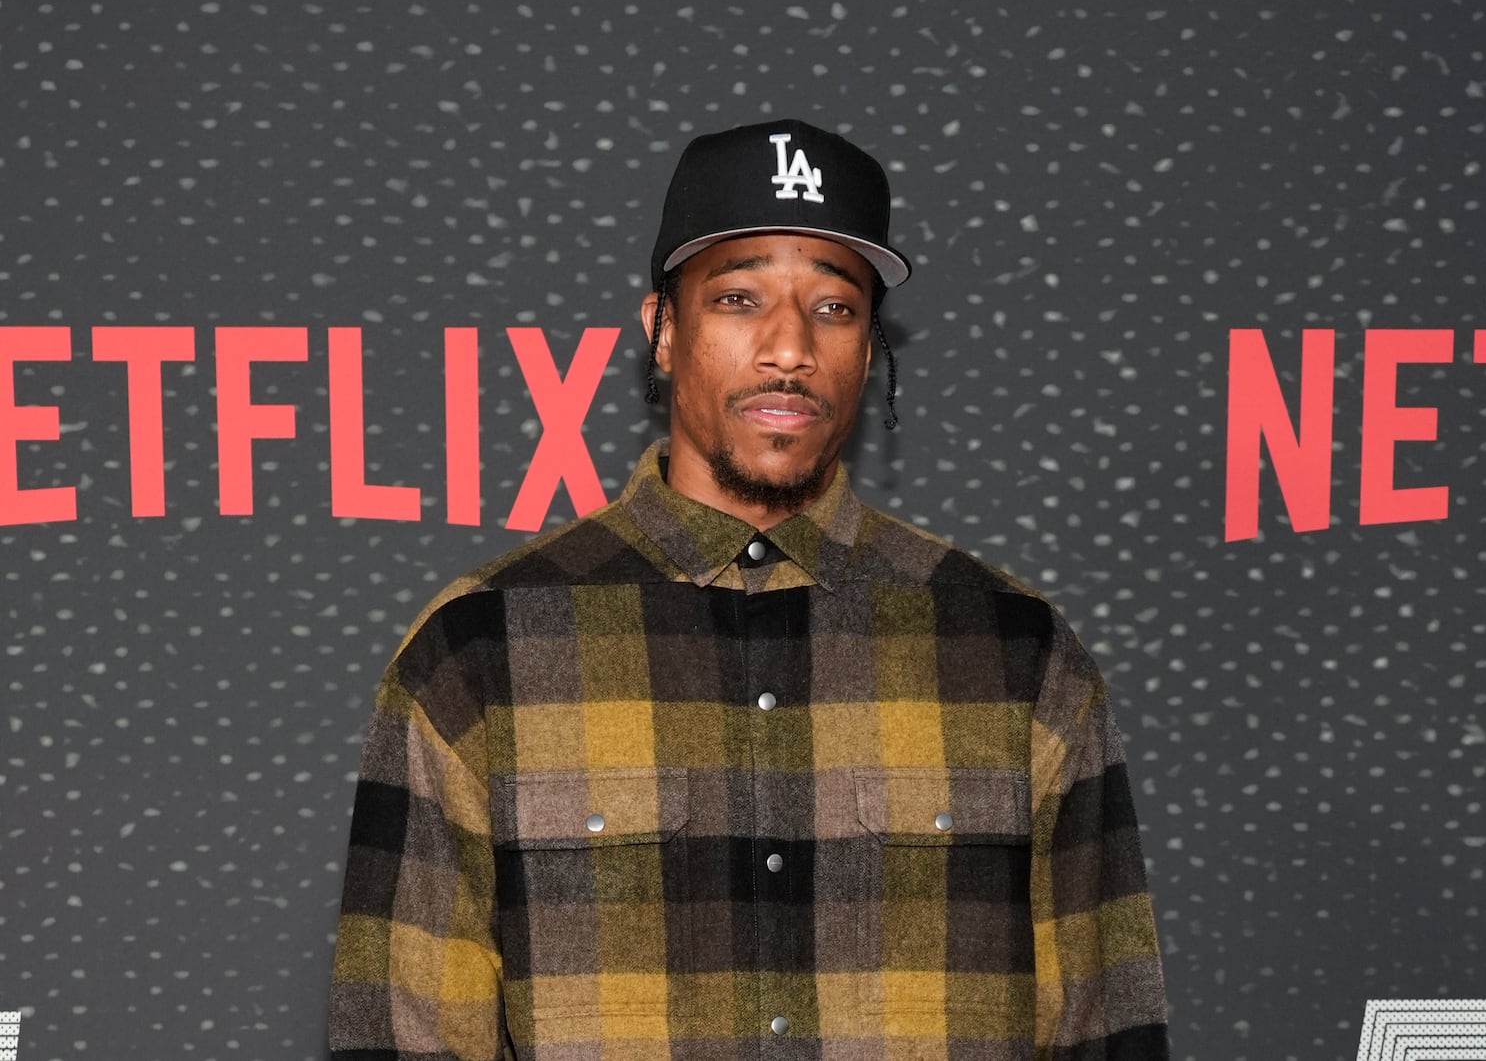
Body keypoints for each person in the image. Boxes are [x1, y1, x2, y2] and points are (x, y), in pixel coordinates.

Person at [328, 118, 1170, 1059]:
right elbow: (398, 1038)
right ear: (661, 329)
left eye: (834, 307)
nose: (788, 347)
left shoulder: (1017, 654)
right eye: (738, 297)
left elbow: (1109, 1030)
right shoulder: (480, 651)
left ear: (868, 344)